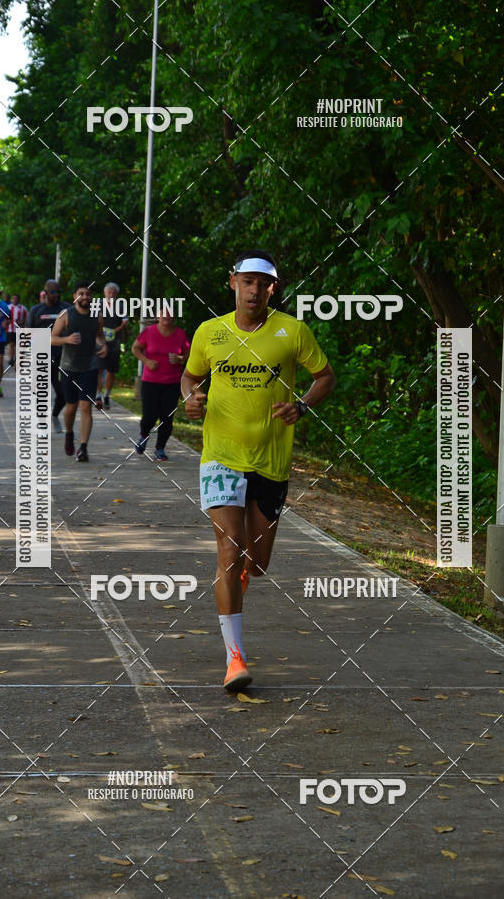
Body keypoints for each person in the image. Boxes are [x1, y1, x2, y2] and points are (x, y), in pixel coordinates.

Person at [181, 250, 336, 691]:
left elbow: (325, 376)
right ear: (232, 283)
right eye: (246, 281)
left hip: (270, 462)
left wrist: (302, 404)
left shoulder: (292, 331)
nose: (253, 290)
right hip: (220, 457)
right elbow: (190, 377)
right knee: (228, 554)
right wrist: (191, 398)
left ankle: (236, 587)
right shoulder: (210, 332)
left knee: (258, 563)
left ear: (273, 288)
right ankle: (234, 659)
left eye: (262, 283)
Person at [51, 280, 107, 462]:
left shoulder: (97, 316)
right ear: (75, 297)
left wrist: (103, 345)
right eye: (81, 293)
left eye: (88, 294)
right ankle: (69, 433)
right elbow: (52, 339)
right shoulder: (66, 315)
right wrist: (66, 339)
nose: (85, 297)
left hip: (89, 367)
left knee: (85, 407)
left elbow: (98, 334)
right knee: (71, 406)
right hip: (68, 367)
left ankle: (83, 447)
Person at [132, 309, 190, 460]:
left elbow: (188, 353)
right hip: (150, 381)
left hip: (172, 382)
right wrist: (147, 361)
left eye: (170, 314)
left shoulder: (180, 334)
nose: (167, 316)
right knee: (149, 416)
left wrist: (180, 359)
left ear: (174, 316)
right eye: (164, 313)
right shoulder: (149, 332)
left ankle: (160, 448)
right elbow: (135, 348)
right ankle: (143, 436)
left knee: (167, 417)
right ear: (158, 316)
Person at [26, 280, 71, 433]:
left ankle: (54, 415)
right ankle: (41, 420)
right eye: (53, 292)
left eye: (59, 292)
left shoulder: (66, 309)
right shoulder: (36, 310)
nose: (57, 295)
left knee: (64, 393)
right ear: (45, 292)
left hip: (63, 357)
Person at [95, 282, 127, 409]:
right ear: (105, 293)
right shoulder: (98, 305)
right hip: (99, 341)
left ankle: (107, 395)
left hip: (115, 342)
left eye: (113, 293)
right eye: (109, 292)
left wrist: (116, 330)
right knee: (98, 369)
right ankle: (97, 395)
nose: (111, 294)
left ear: (116, 294)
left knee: (111, 370)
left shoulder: (120, 306)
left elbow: (125, 321)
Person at [6, 293, 28, 367]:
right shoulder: (8, 307)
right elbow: (4, 318)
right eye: (13, 298)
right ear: (11, 299)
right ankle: (11, 358)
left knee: (18, 345)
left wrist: (23, 321)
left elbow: (27, 319)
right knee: (11, 344)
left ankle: (16, 359)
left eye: (16, 298)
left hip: (20, 329)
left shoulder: (23, 308)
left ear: (19, 299)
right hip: (10, 329)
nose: (14, 300)